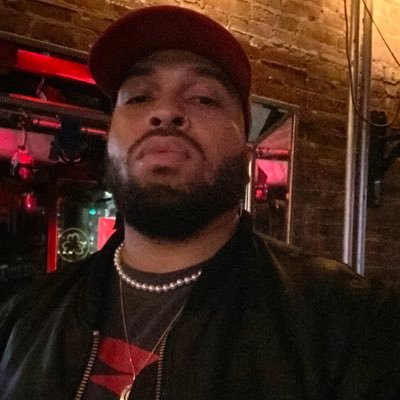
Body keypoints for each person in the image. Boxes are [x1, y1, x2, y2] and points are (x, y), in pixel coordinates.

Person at [1, 5, 400, 400]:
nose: (165, 111)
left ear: (247, 158)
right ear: (109, 144)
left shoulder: (352, 324)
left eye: (204, 99)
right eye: (139, 96)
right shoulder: (22, 319)